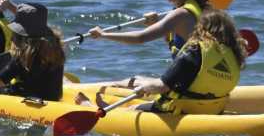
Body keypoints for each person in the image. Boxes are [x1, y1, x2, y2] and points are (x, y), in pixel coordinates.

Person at [83, 0, 212, 88]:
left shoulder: (181, 14)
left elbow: (140, 38)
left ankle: (81, 90)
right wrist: (158, 23)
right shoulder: (199, 10)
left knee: (129, 82)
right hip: (198, 80)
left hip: (189, 85)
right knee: (137, 80)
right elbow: (177, 43)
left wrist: (103, 34)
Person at [105, 9, 248, 115]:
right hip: (212, 109)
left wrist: (145, 89)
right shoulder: (234, 54)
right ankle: (117, 85)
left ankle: (89, 104)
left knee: (131, 109)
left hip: (181, 109)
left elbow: (162, 86)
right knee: (141, 81)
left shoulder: (196, 49)